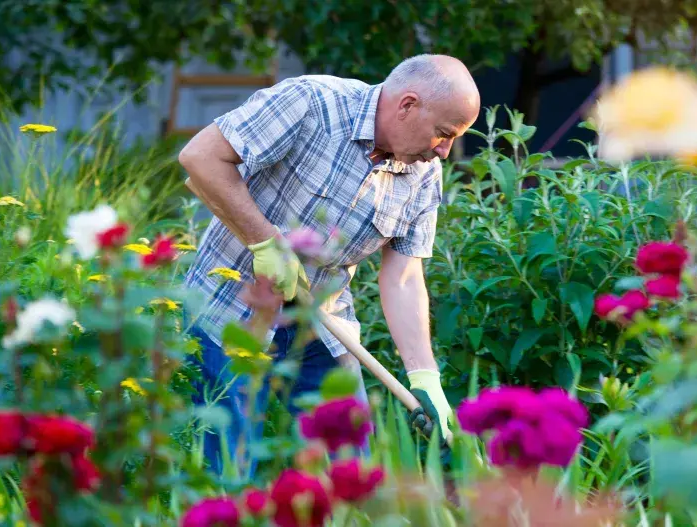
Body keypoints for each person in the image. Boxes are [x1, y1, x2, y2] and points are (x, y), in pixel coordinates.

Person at [177, 54, 480, 474]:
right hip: (230, 309)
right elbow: (200, 158)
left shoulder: (423, 173)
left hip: (322, 320)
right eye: (443, 134)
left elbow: (405, 275)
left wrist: (424, 375)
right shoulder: (311, 102)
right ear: (407, 105)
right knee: (227, 467)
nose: (445, 152)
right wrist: (264, 241)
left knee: (349, 466)